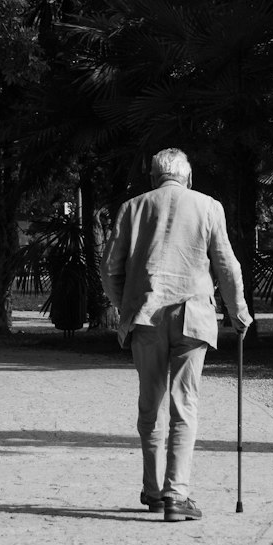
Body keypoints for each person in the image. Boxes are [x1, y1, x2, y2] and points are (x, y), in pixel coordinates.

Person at [101, 147, 252, 523]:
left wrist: (126, 304)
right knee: (185, 405)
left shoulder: (132, 208)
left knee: (150, 405)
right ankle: (176, 494)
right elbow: (227, 267)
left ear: (154, 178)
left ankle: (153, 491)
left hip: (146, 317)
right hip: (193, 316)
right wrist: (238, 313)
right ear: (187, 177)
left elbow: (108, 269)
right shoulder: (208, 206)